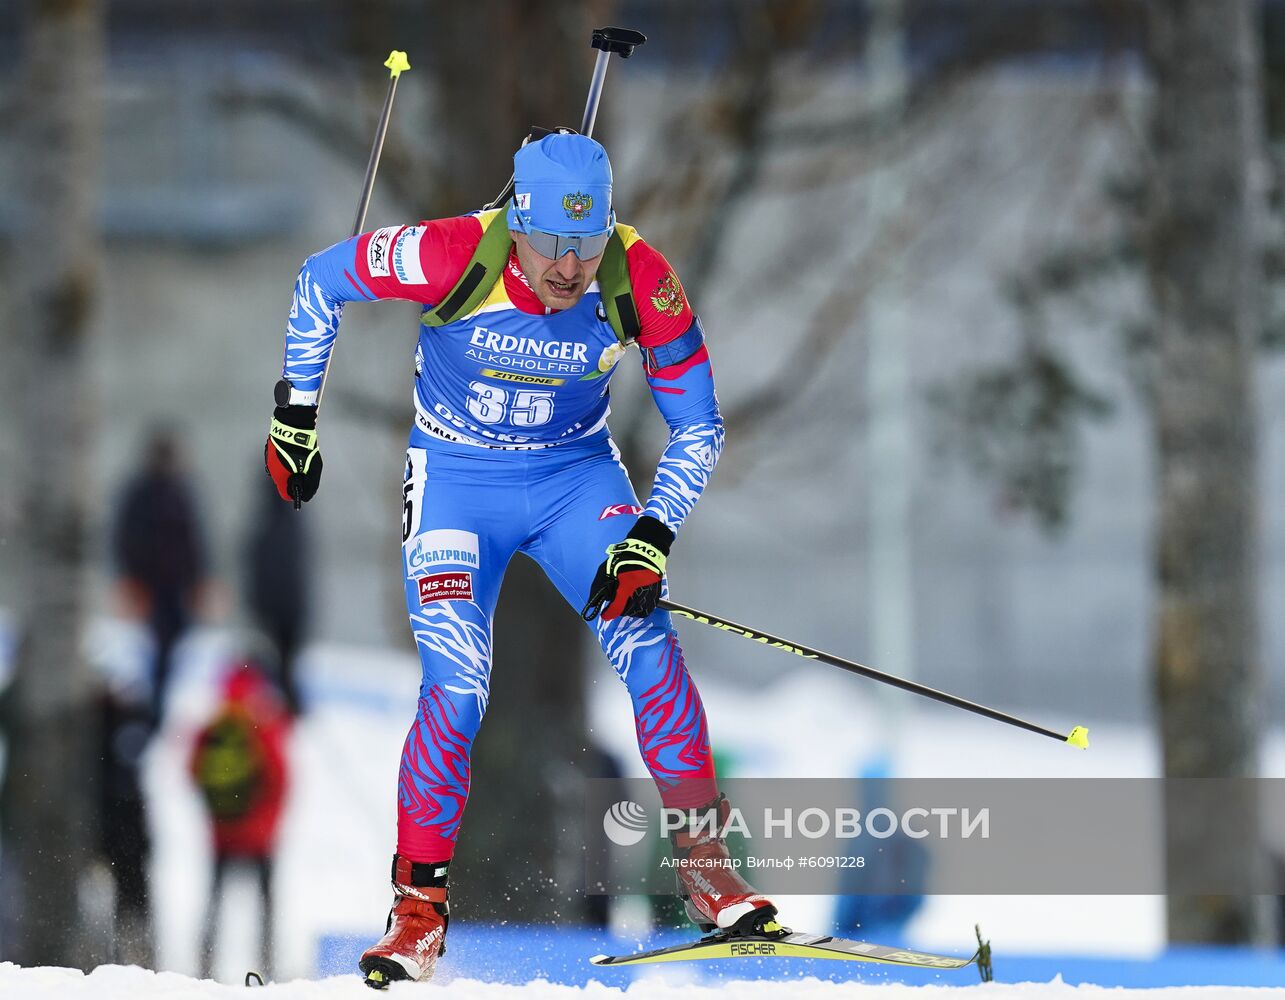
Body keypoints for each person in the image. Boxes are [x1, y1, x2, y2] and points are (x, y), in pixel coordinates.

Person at [263, 132, 778, 986]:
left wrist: (652, 534)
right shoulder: (452, 251)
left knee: (646, 646)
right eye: (551, 247)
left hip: (574, 479)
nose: (571, 270)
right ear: (517, 219)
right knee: (456, 688)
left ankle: (703, 867)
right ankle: (417, 914)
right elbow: (321, 279)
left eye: (587, 245)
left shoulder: (638, 275)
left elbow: (699, 423)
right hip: (457, 485)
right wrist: (296, 415)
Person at [188, 659, 291, 981]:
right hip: (261, 838)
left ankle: (204, 966)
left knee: (214, 903)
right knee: (265, 907)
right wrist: (268, 825)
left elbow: (193, 771)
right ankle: (267, 964)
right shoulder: (263, 724)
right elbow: (280, 779)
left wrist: (218, 814)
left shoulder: (214, 726)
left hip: (222, 834)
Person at [113, 429, 210, 725]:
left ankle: (152, 704)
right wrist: (131, 579)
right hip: (151, 585)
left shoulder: (180, 490)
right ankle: (146, 708)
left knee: (171, 640)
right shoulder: (142, 492)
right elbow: (126, 539)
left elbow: (194, 540)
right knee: (151, 644)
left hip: (174, 585)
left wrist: (199, 580)